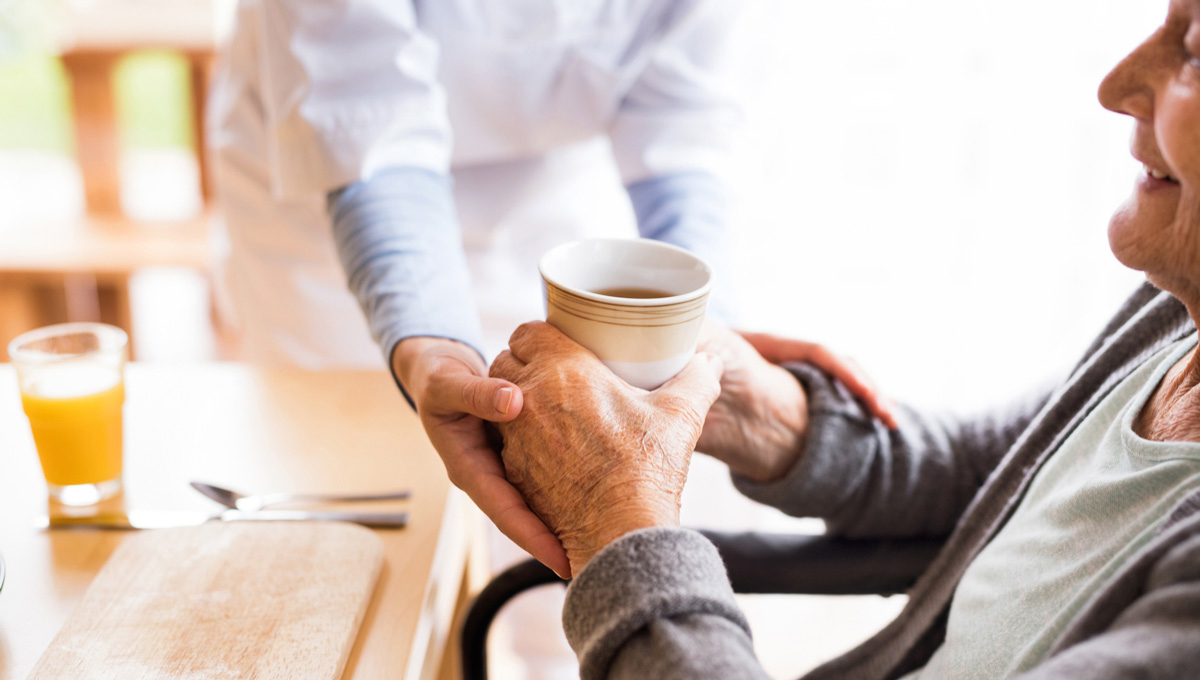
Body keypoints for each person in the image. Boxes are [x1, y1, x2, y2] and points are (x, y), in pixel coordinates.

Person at [488, 1, 1200, 677]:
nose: (1117, 86)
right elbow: (993, 472)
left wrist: (618, 520)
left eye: (1194, 52)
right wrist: (766, 411)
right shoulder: (1175, 312)